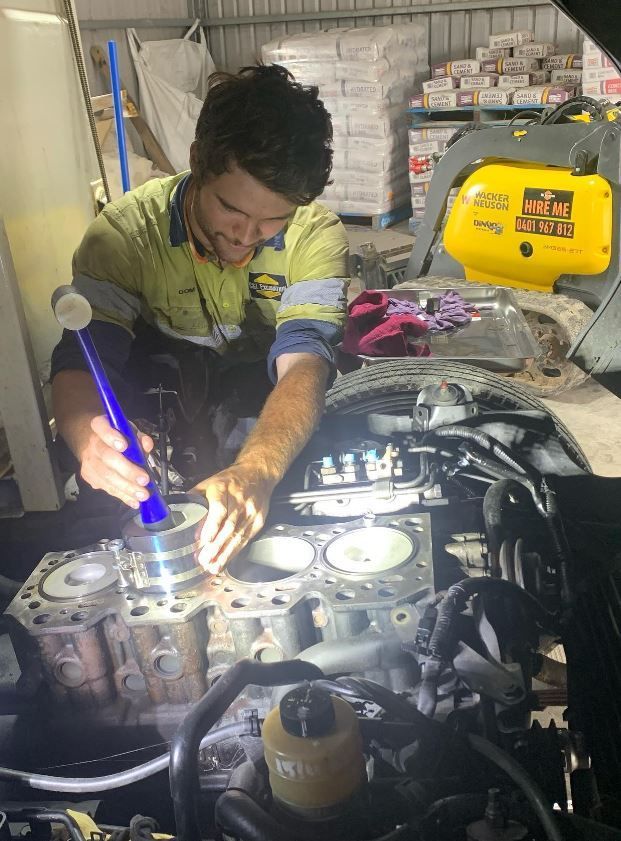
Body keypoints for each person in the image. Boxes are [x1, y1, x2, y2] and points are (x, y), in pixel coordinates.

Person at [51, 64, 349, 574]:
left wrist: (258, 469)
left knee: (306, 471)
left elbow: (305, 362)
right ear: (196, 163)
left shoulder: (317, 235)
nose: (246, 236)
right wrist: (84, 436)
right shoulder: (120, 238)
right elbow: (82, 355)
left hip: (265, 375)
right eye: (231, 210)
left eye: (273, 218)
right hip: (160, 371)